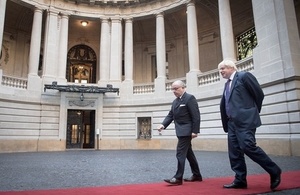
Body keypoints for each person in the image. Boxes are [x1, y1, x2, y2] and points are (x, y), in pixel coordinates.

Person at [218, 59, 281, 190]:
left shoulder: (244, 76)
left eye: (223, 68)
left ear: (231, 67)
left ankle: (274, 170)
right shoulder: (226, 85)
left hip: (245, 121)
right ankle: (240, 179)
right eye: (220, 69)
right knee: (234, 152)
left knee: (248, 146)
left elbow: (259, 94)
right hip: (231, 123)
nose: (221, 71)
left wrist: (251, 112)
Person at [157, 80, 202, 185]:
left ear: (183, 88)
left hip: (187, 131)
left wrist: (195, 131)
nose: (174, 91)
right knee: (188, 154)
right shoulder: (175, 101)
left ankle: (178, 178)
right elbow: (170, 115)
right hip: (180, 131)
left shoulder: (190, 98)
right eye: (172, 89)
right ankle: (197, 175)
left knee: (180, 153)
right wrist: (163, 125)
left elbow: (196, 116)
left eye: (176, 88)